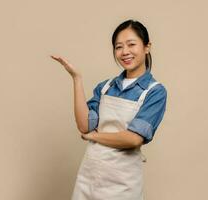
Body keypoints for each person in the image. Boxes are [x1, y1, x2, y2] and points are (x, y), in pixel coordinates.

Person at [51, 19, 167, 200]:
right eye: (118, 47)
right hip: (89, 176)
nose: (125, 52)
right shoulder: (105, 87)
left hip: (122, 184)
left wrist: (94, 137)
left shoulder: (155, 92)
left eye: (131, 44)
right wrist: (77, 79)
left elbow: (133, 139)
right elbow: (84, 126)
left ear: (146, 47)